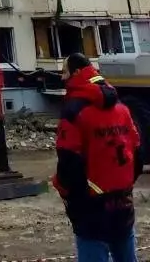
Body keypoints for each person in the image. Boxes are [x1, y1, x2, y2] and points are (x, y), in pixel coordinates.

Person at [53, 53, 142, 262]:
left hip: (91, 207)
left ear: (76, 73)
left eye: (64, 72)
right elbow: (138, 151)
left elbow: (68, 161)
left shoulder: (74, 112)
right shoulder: (122, 109)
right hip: (123, 202)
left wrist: (72, 196)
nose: (62, 78)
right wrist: (125, 185)